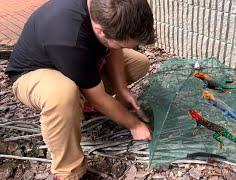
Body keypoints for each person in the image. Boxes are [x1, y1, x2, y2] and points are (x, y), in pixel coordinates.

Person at [5, 0, 156, 179]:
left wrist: (121, 88)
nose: (123, 48)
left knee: (139, 64)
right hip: (32, 73)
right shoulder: (68, 37)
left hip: (76, 60)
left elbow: (113, 49)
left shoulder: (106, 9)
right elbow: (98, 97)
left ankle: (79, 103)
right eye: (122, 44)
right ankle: (68, 171)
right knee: (63, 94)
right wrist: (134, 124)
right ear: (100, 30)